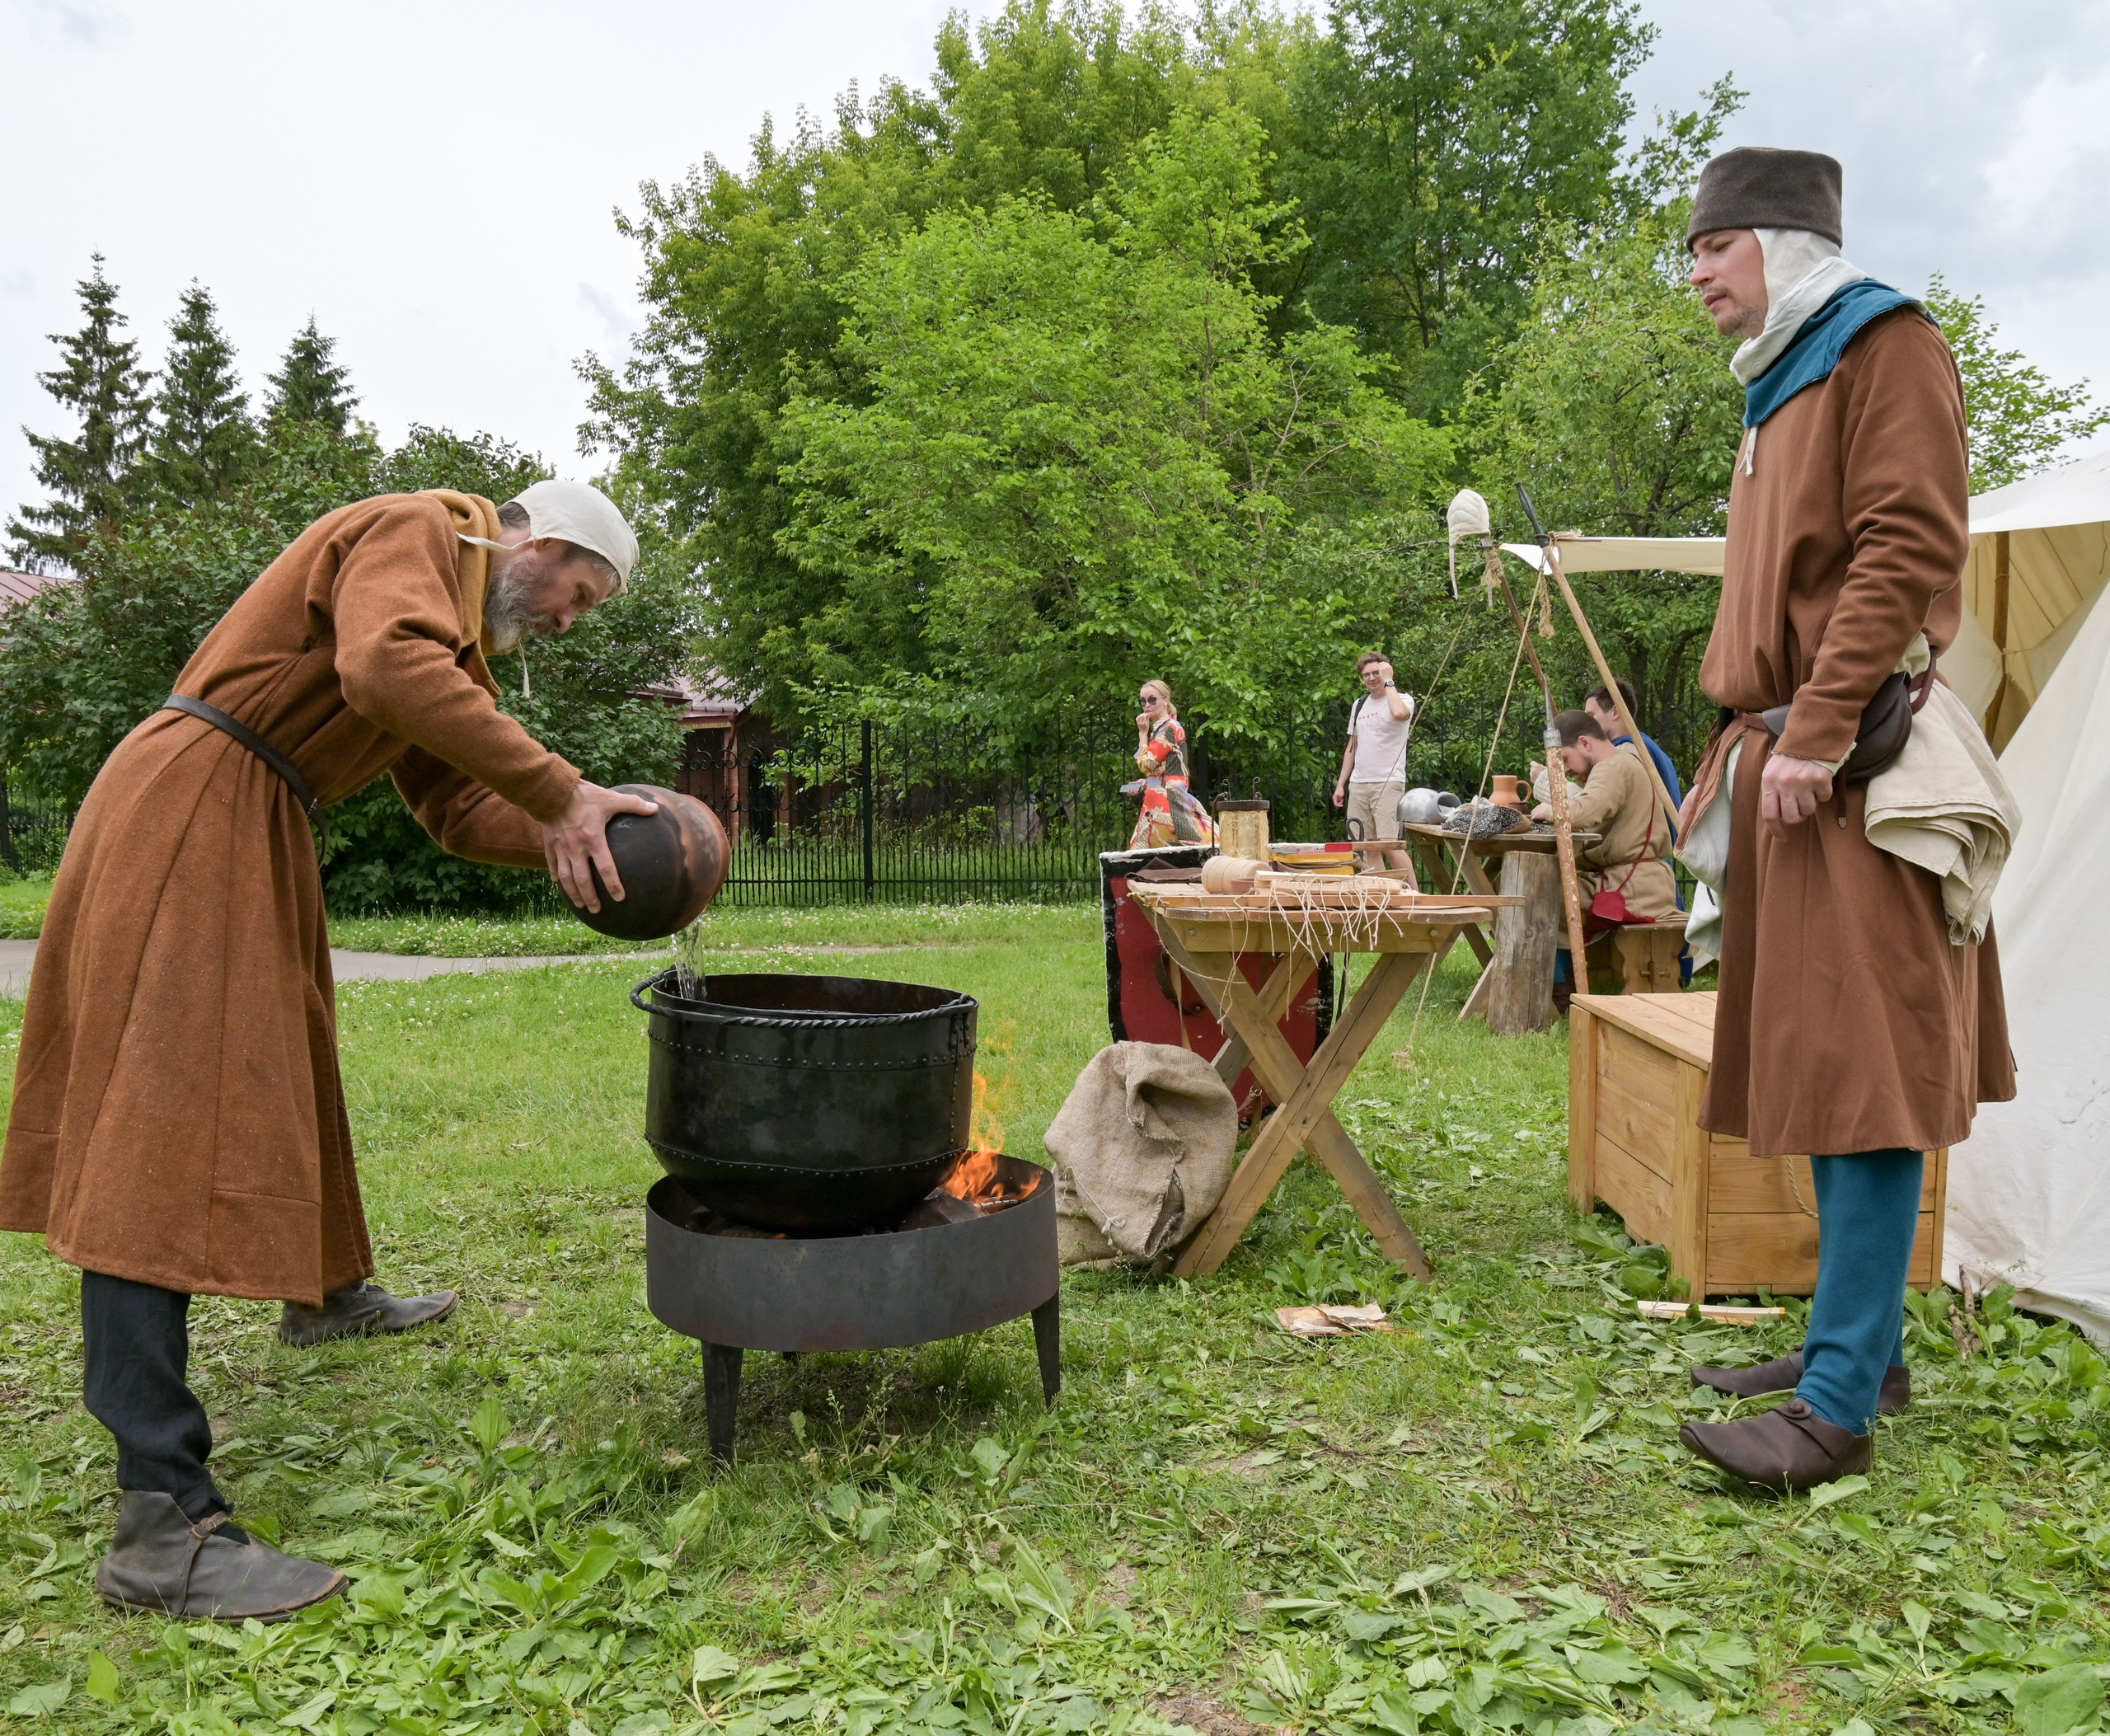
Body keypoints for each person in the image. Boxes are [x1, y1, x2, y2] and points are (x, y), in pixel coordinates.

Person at [0, 480, 657, 1619]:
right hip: (193, 799)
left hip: (255, 811)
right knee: (163, 1124)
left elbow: (457, 807)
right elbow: (383, 669)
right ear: (539, 542)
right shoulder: (419, 531)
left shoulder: (450, 640)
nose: (567, 621)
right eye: (579, 595)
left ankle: (325, 1293)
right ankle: (161, 1523)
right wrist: (563, 790)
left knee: (289, 1056)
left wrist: (600, 834)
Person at [1673, 147, 2013, 1491]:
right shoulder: (1781, 375)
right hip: (1795, 763)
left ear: (1779, 240)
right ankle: (1859, 1352)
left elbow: (1908, 544)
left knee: (1864, 1075)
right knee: (1821, 1061)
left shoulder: (1883, 344)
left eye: (1713, 246)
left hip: (1856, 766)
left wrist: (1815, 730)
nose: (1697, 273)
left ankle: (1837, 1407)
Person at [1531, 711, 1679, 1002]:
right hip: (1630, 882)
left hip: (1634, 888)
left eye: (1565, 759)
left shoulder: (1613, 767)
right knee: (1538, 891)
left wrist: (1548, 809)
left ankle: (1558, 989)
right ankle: (1559, 983)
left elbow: (1581, 812)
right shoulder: (1617, 765)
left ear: (1585, 743)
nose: (1566, 770)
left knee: (1538, 897)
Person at [1330, 653, 1417, 874]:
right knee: (1365, 846)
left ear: (1387, 672)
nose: (1371, 678)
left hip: (1388, 781)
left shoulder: (1402, 699)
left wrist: (1389, 682)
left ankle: (1414, 892)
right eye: (1366, 675)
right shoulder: (1359, 705)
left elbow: (1400, 714)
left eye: (1376, 673)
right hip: (1359, 783)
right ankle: (1380, 890)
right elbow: (1352, 747)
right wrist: (1341, 784)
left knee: (1389, 844)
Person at [1127, 680, 1217, 849]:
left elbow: (1146, 764)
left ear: (1166, 700)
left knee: (1143, 856)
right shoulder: (1162, 730)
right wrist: (1146, 783)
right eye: (1143, 701)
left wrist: (1142, 733)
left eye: (1152, 700)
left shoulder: (1170, 728)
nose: (1147, 705)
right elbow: (1162, 771)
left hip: (1166, 804)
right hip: (1161, 801)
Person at [1583, 678, 1681, 816]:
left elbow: (1595, 810)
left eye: (1591, 716)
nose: (1587, 724)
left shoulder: (1627, 751)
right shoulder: (1645, 746)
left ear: (1615, 712)